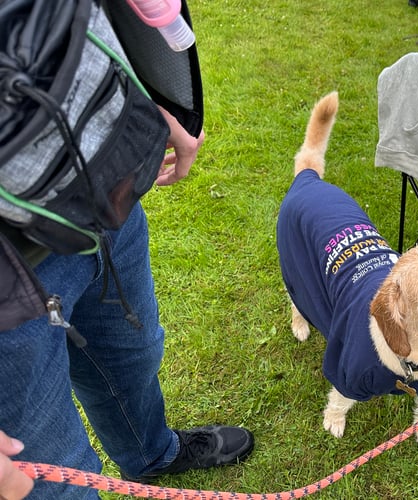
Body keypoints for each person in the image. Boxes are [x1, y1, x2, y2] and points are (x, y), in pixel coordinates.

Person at [0, 1, 253, 498]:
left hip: (107, 193)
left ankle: (151, 454)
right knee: (55, 477)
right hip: (9, 289)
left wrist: (156, 94)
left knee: (133, 357)